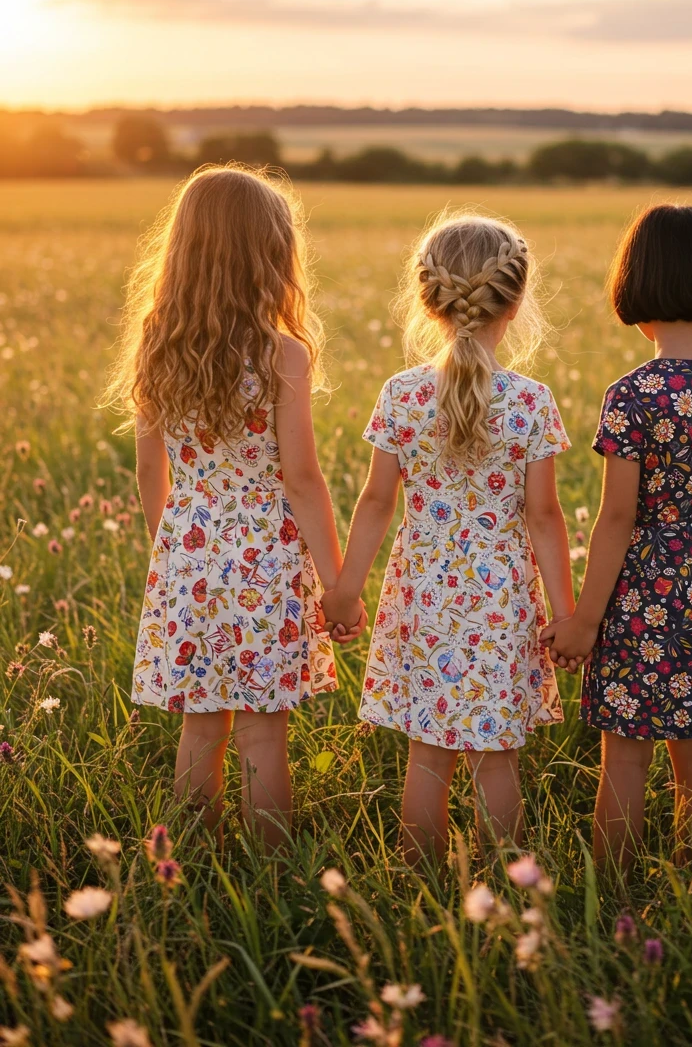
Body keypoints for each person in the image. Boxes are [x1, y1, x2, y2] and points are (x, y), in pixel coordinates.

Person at [104, 165, 361, 849]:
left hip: (187, 555)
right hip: (264, 563)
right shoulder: (282, 354)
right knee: (261, 726)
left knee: (200, 722)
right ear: (269, 254)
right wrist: (337, 583)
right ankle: (274, 875)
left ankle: (191, 859)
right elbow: (302, 479)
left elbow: (149, 469)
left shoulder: (157, 345)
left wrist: (173, 553)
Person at [322, 211, 574, 866]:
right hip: (502, 601)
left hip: (423, 595)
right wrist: (568, 614)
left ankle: (417, 881)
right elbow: (545, 518)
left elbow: (377, 501)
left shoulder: (402, 395)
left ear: (427, 298)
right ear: (515, 302)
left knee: (426, 752)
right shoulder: (530, 400)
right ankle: (512, 890)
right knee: (495, 756)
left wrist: (346, 590)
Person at [541, 204, 692, 871]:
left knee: (625, 747)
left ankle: (613, 883)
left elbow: (616, 518)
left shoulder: (633, 394)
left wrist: (584, 619)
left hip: (642, 587)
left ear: (635, 284)